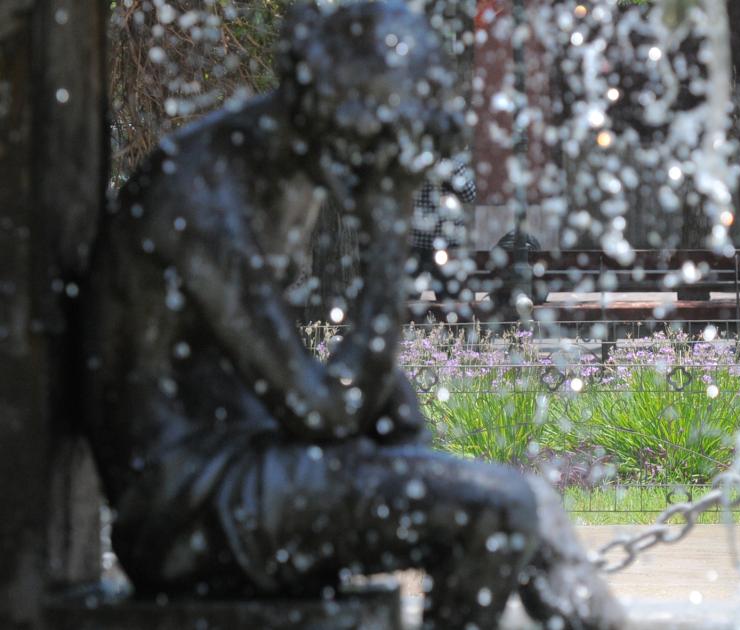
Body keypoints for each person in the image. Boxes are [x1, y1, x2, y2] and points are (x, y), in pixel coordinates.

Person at [82, 2, 622, 628]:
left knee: (537, 502)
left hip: (251, 455)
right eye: (380, 134)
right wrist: (390, 235)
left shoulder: (290, 165)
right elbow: (320, 409)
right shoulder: (202, 199)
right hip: (188, 509)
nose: (388, 161)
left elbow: (310, 392)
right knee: (498, 513)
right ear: (326, 103)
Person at [409, 157, 475, 301]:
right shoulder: (416, 161)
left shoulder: (454, 163)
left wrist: (451, 183)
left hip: (446, 236)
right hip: (418, 237)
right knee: (413, 284)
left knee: (449, 285)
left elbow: (470, 193)